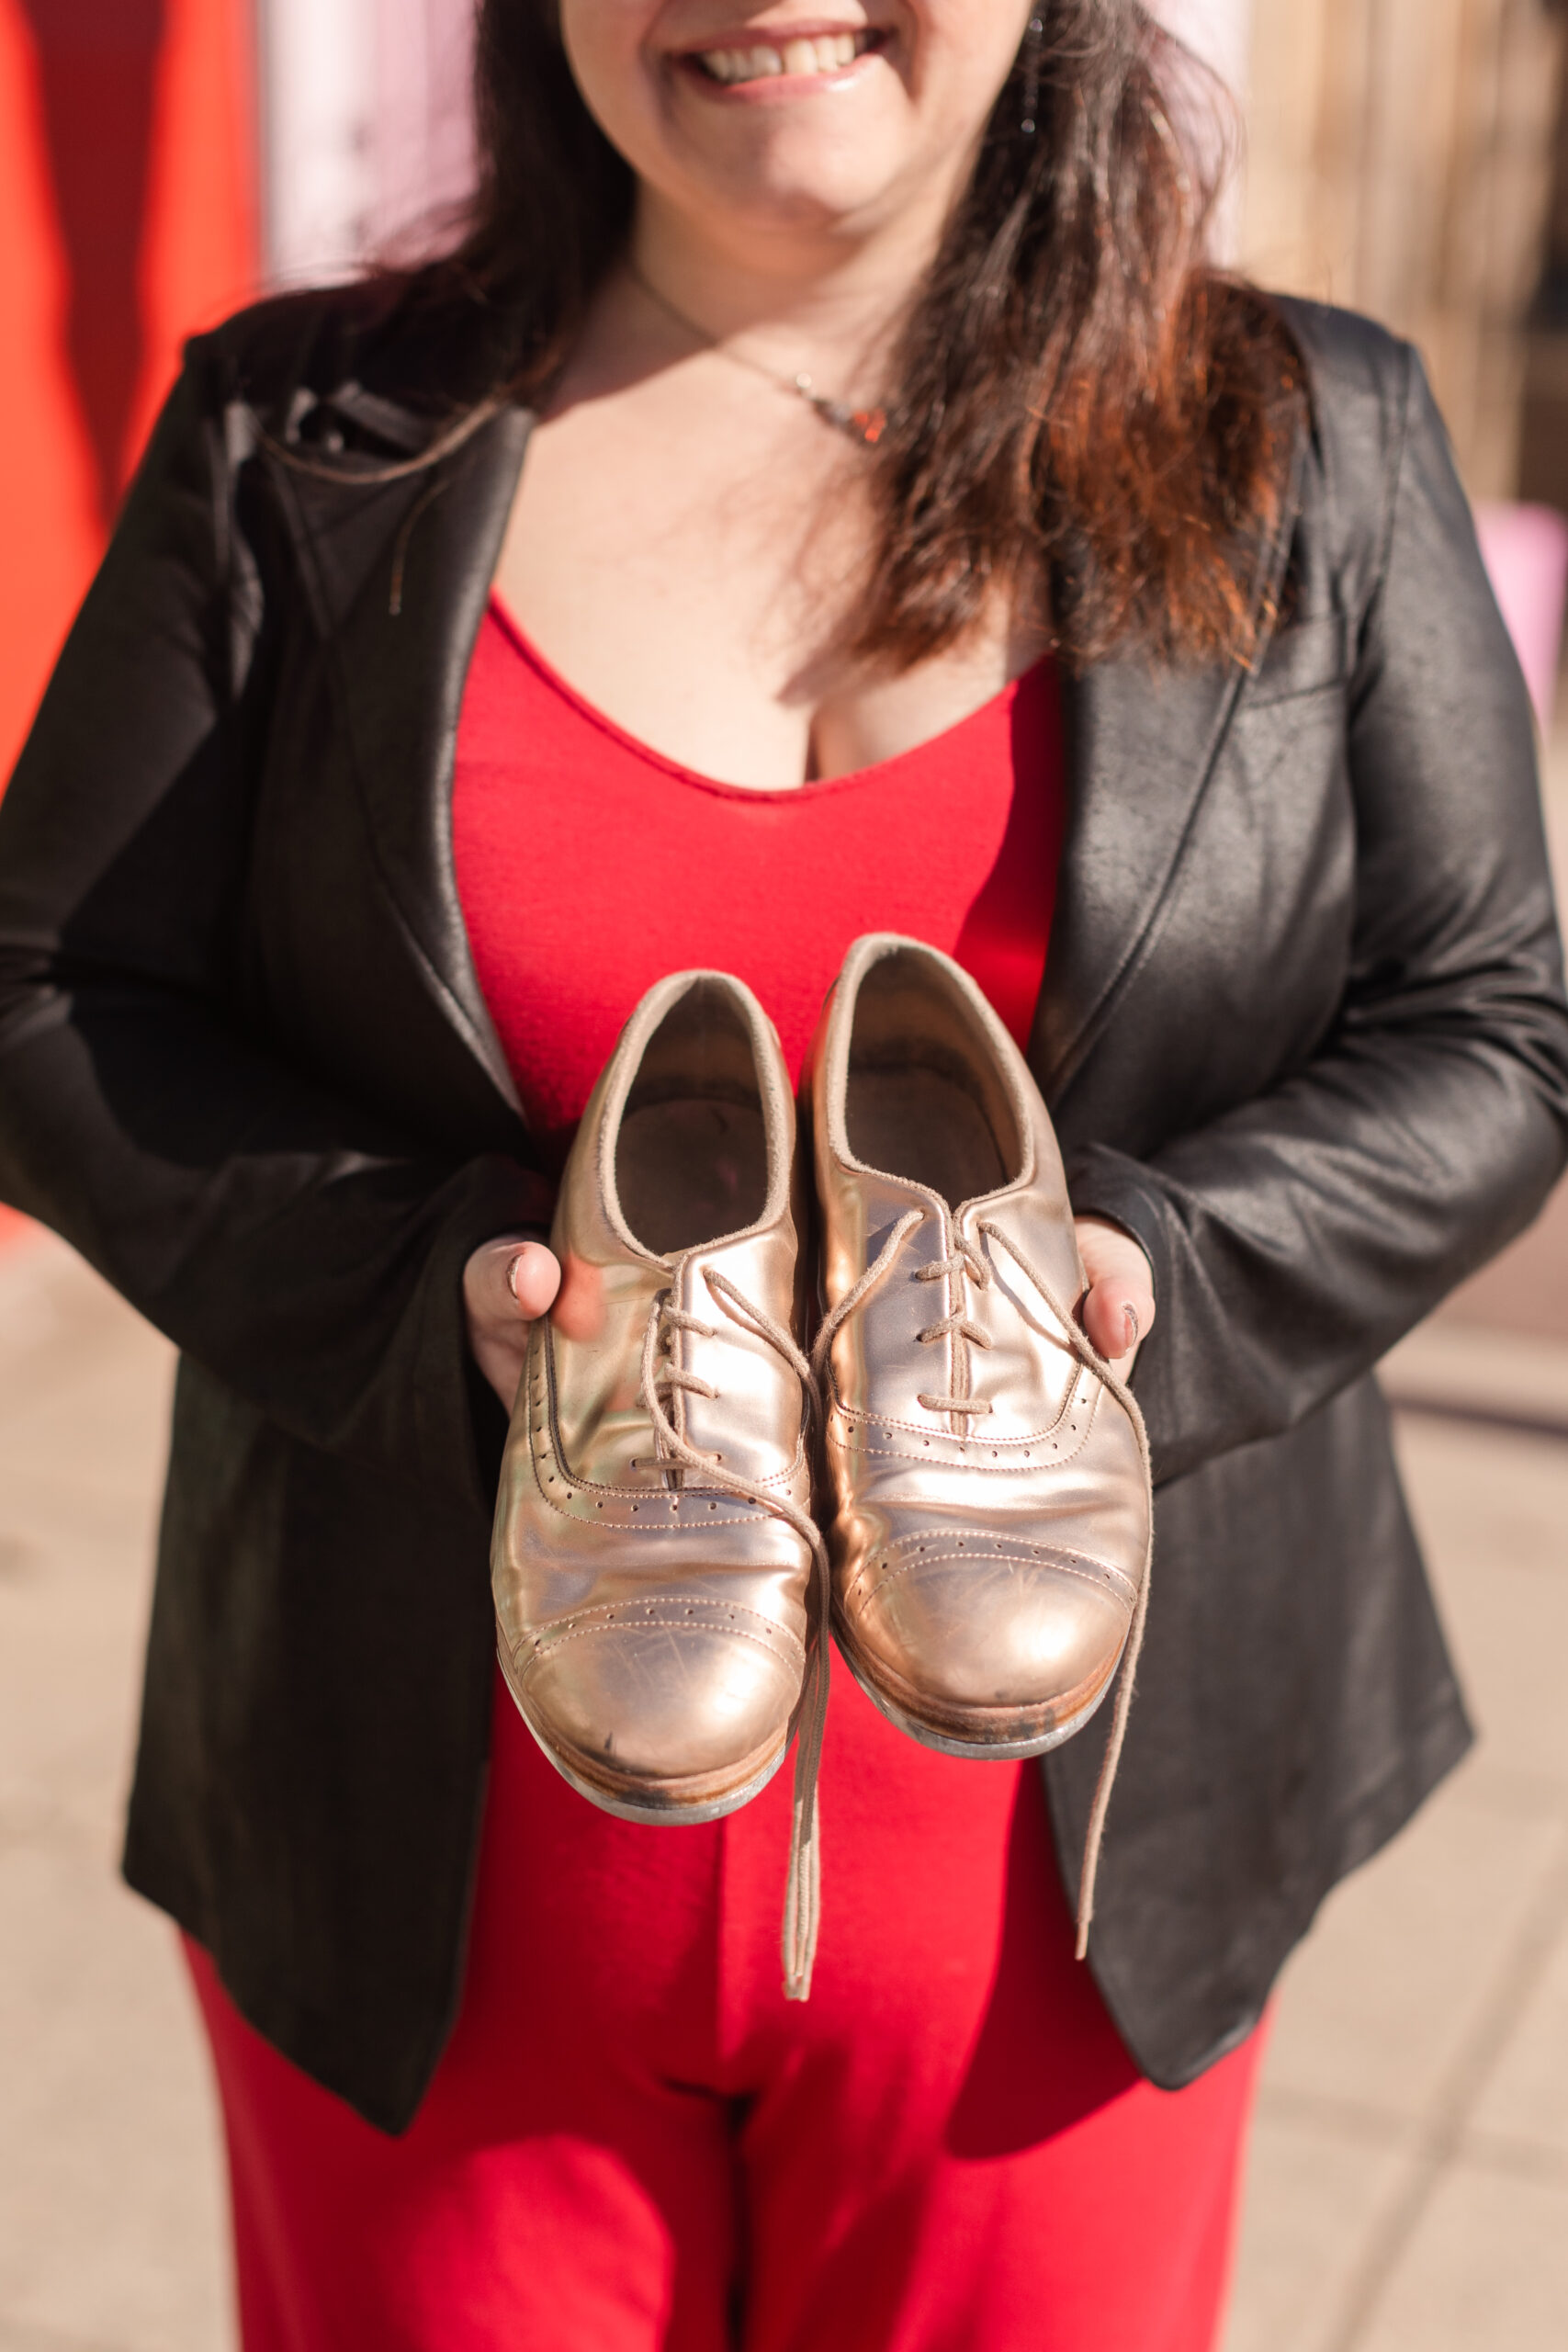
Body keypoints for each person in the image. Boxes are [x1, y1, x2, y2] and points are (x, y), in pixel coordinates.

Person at [1, 3, 1565, 2346]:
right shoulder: (301, 433)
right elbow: (47, 992)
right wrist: (432, 1288)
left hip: (1075, 1898)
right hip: (425, 1874)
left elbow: (1492, 1020)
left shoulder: (1301, 433)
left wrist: (1136, 1270)